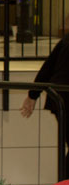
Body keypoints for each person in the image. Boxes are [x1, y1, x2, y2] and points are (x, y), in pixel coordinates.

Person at [20, 33, 69, 172]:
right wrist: (32, 95)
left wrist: (33, 95)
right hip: (64, 96)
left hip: (59, 97)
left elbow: (48, 66)